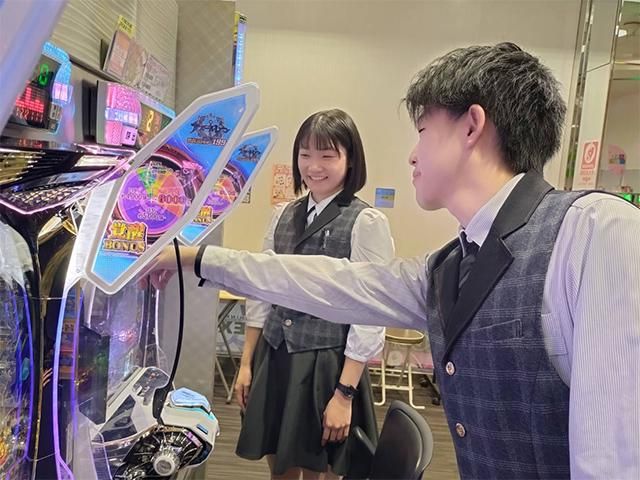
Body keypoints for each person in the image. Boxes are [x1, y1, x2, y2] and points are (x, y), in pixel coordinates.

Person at [148, 43, 640, 478]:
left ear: (472, 126)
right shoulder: (449, 265)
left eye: (423, 130)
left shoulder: (596, 231)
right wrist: (196, 258)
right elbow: (329, 283)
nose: (412, 155)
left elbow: (612, 458)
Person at [235, 109, 394, 479]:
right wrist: (246, 363)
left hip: (328, 364)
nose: (313, 166)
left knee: (322, 468)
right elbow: (261, 288)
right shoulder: (282, 214)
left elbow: (370, 312)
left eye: (327, 155)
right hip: (276, 354)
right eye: (305, 154)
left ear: (350, 159)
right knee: (278, 464)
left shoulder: (365, 221)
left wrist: (344, 394)